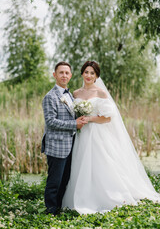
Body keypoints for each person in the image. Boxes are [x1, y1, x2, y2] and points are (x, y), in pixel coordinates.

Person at [62, 61, 160, 214]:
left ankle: (106, 196)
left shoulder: (101, 93)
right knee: (82, 165)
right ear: (81, 73)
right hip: (82, 135)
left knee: (100, 164)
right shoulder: (75, 94)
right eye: (86, 72)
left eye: (92, 73)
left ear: (96, 76)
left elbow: (107, 118)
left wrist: (90, 119)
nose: (88, 75)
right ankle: (83, 195)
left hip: (96, 134)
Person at [41, 61, 87, 215]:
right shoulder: (50, 97)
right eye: (61, 72)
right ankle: (51, 211)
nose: (64, 75)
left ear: (71, 75)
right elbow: (51, 122)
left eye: (67, 73)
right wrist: (74, 124)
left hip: (71, 145)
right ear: (55, 75)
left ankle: (58, 207)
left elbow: (72, 115)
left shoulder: (70, 95)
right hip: (56, 146)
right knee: (54, 181)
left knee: (65, 179)